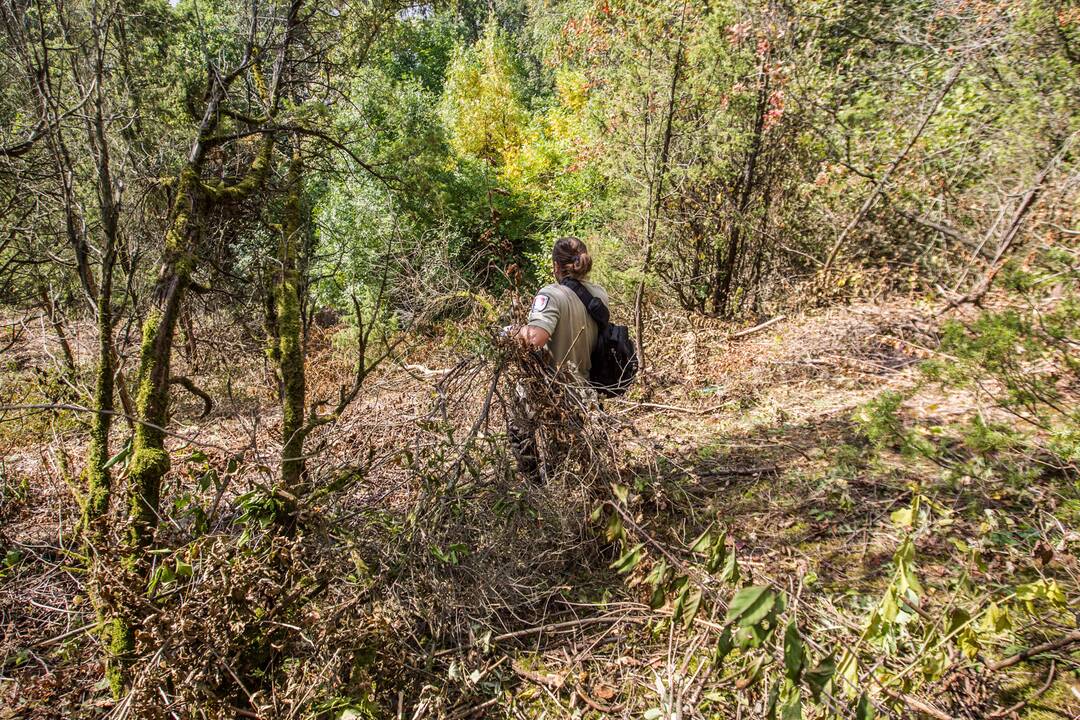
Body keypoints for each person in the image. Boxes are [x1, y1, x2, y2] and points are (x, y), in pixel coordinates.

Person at [510, 237, 609, 481]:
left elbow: (534, 339)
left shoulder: (551, 294)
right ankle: (563, 486)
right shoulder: (599, 294)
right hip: (586, 389)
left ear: (556, 265)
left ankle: (534, 490)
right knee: (566, 453)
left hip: (552, 388)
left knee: (518, 427)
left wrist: (512, 331)